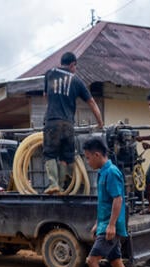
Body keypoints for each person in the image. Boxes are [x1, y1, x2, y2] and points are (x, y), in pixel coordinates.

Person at [78, 138, 134, 267]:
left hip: (111, 227)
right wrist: (98, 223)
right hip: (105, 225)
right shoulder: (103, 172)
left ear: (97, 155)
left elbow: (118, 199)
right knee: (116, 261)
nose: (87, 161)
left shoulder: (111, 172)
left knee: (92, 260)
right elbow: (105, 202)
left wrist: (110, 226)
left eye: (88, 158)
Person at [43, 51, 104, 194]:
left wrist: (53, 107)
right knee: (65, 156)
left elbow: (45, 95)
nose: (75, 69)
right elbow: (92, 103)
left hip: (52, 121)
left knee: (50, 154)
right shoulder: (76, 81)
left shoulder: (49, 74)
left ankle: (53, 184)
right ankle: (62, 187)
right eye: (75, 66)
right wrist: (100, 123)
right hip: (69, 124)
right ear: (72, 65)